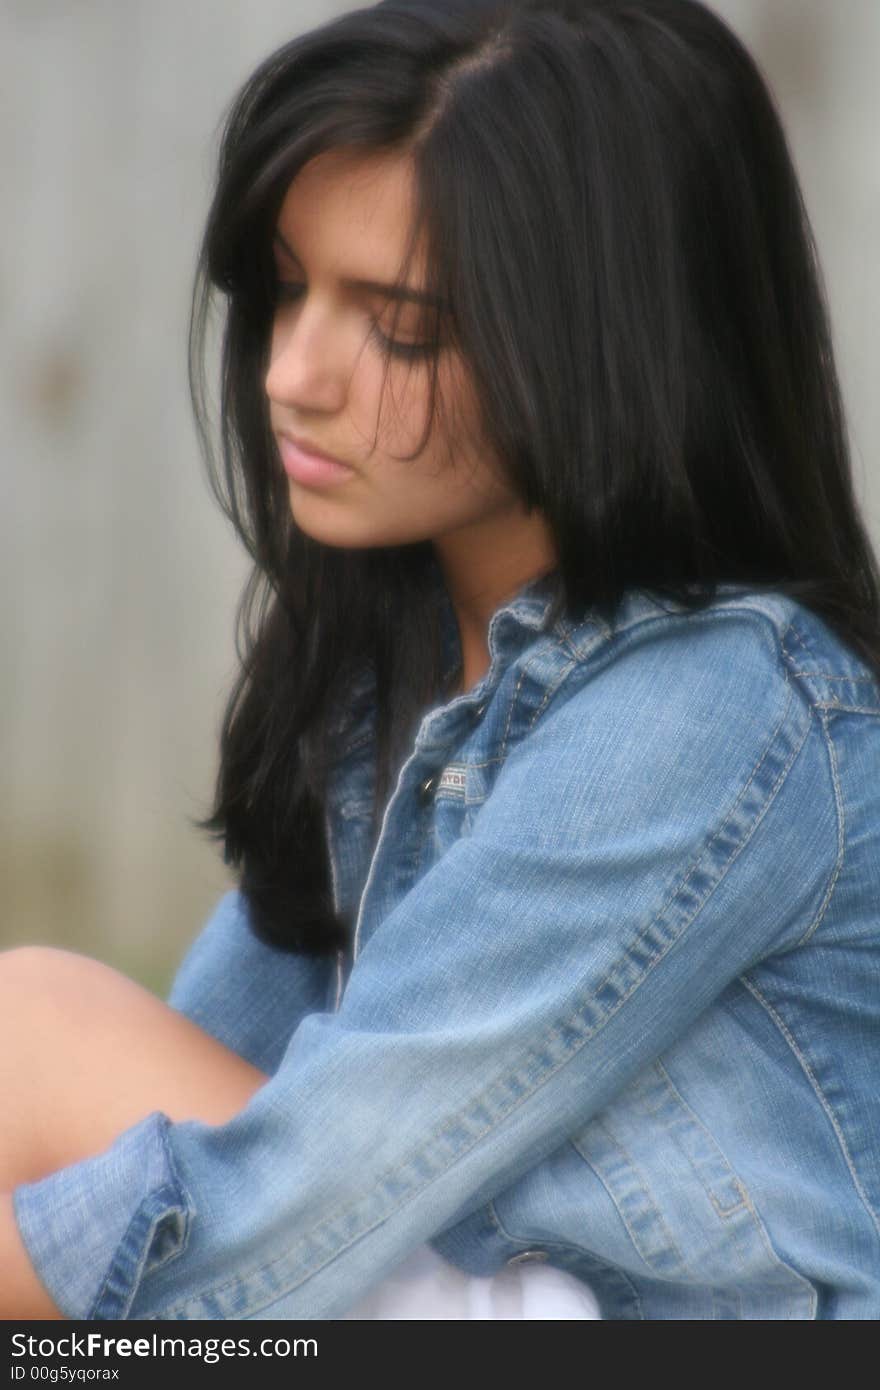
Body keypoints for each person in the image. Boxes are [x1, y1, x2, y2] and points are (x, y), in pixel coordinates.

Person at [2, 0, 879, 1321]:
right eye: (292, 288)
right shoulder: (390, 671)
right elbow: (201, 1111)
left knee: (38, 1028)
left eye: (398, 325)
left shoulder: (718, 705)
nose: (294, 374)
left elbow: (266, 1218)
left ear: (605, 343)